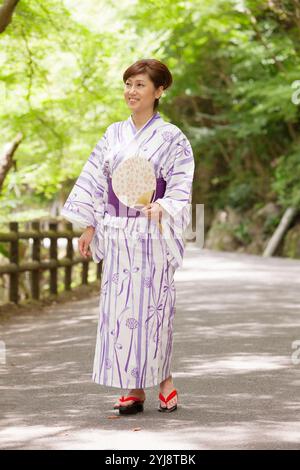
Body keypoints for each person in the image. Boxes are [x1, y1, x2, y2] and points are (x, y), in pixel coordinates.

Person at [60, 58, 195, 415]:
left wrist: (164, 206)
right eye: (128, 84)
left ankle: (163, 379)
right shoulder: (113, 134)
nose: (131, 92)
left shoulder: (171, 137)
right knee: (121, 311)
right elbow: (95, 181)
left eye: (140, 85)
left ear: (159, 90)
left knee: (155, 310)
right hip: (118, 235)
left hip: (152, 234)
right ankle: (133, 387)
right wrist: (89, 225)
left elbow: (181, 182)